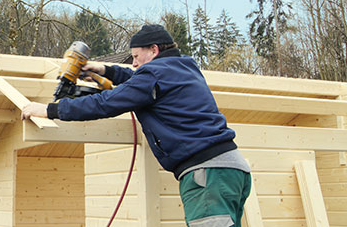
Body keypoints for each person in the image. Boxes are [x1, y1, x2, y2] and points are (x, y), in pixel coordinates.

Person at [22, 24, 251, 226]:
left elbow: (106, 103)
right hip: (233, 169)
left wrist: (50, 109)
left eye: (136, 56)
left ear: (154, 50)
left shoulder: (154, 75)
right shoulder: (184, 68)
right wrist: (105, 70)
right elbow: (139, 79)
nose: (133, 63)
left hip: (206, 175)